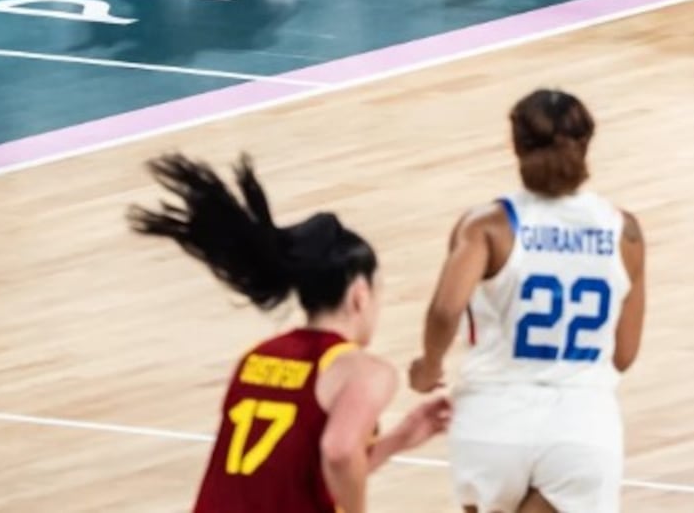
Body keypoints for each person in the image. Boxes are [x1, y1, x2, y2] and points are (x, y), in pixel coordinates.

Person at [131, 153, 453, 511]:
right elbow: (340, 452)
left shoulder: (257, 358)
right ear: (359, 296)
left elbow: (302, 479)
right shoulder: (364, 372)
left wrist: (400, 438)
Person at [414, 91, 644, 513]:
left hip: (493, 418)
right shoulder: (624, 230)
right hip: (582, 423)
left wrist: (428, 367)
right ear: (585, 144)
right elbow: (624, 354)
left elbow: (446, 310)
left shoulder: (486, 226)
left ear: (516, 145)